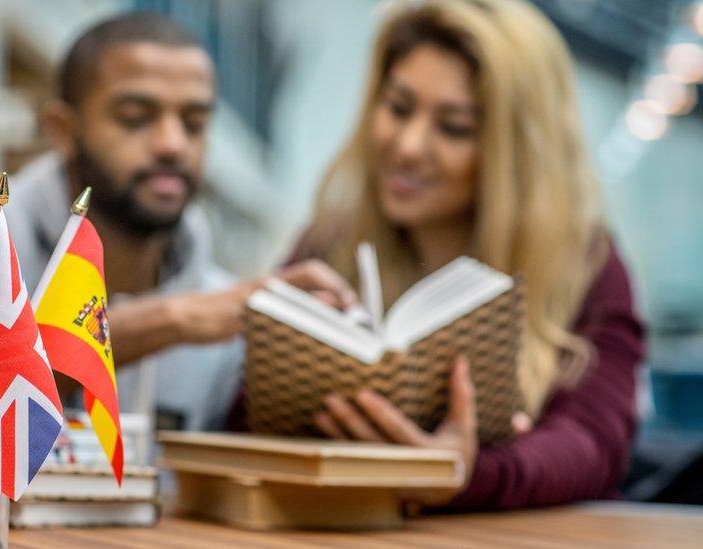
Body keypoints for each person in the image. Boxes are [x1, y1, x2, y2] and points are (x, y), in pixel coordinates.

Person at [238, 0, 645, 510]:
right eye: (398, 108)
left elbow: (595, 444)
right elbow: (242, 413)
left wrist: (466, 473)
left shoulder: (584, 264)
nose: (408, 145)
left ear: (513, 151)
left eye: (453, 128)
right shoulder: (329, 243)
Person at [0, 13, 353, 433]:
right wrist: (171, 320)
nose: (173, 144)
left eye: (194, 123)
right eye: (136, 118)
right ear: (62, 129)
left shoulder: (221, 313)